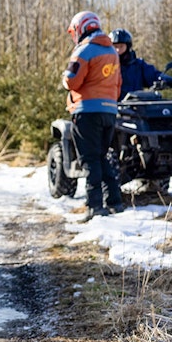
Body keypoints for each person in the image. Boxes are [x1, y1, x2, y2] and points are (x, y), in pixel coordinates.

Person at [63, 11, 123, 219]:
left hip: (86, 111)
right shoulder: (112, 52)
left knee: (89, 159)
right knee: (101, 156)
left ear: (80, 28)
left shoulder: (84, 50)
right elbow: (117, 84)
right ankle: (115, 201)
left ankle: (94, 206)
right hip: (109, 111)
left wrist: (64, 79)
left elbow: (72, 80)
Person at [108, 28, 172, 100]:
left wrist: (163, 79)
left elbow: (152, 75)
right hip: (109, 106)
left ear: (127, 46)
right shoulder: (105, 66)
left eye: (121, 46)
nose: (118, 50)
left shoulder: (138, 65)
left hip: (134, 106)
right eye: (115, 46)